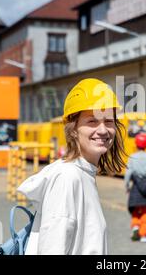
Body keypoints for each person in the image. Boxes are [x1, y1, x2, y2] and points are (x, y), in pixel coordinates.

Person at [17, 78, 126, 255]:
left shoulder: (83, 173)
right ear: (73, 129)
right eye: (92, 121)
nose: (103, 130)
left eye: (108, 121)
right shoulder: (67, 177)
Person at [124, 133, 146, 243]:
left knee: (135, 208)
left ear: (136, 144)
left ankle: (135, 225)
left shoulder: (132, 157)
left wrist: (126, 186)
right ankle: (144, 234)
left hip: (136, 187)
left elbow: (128, 174)